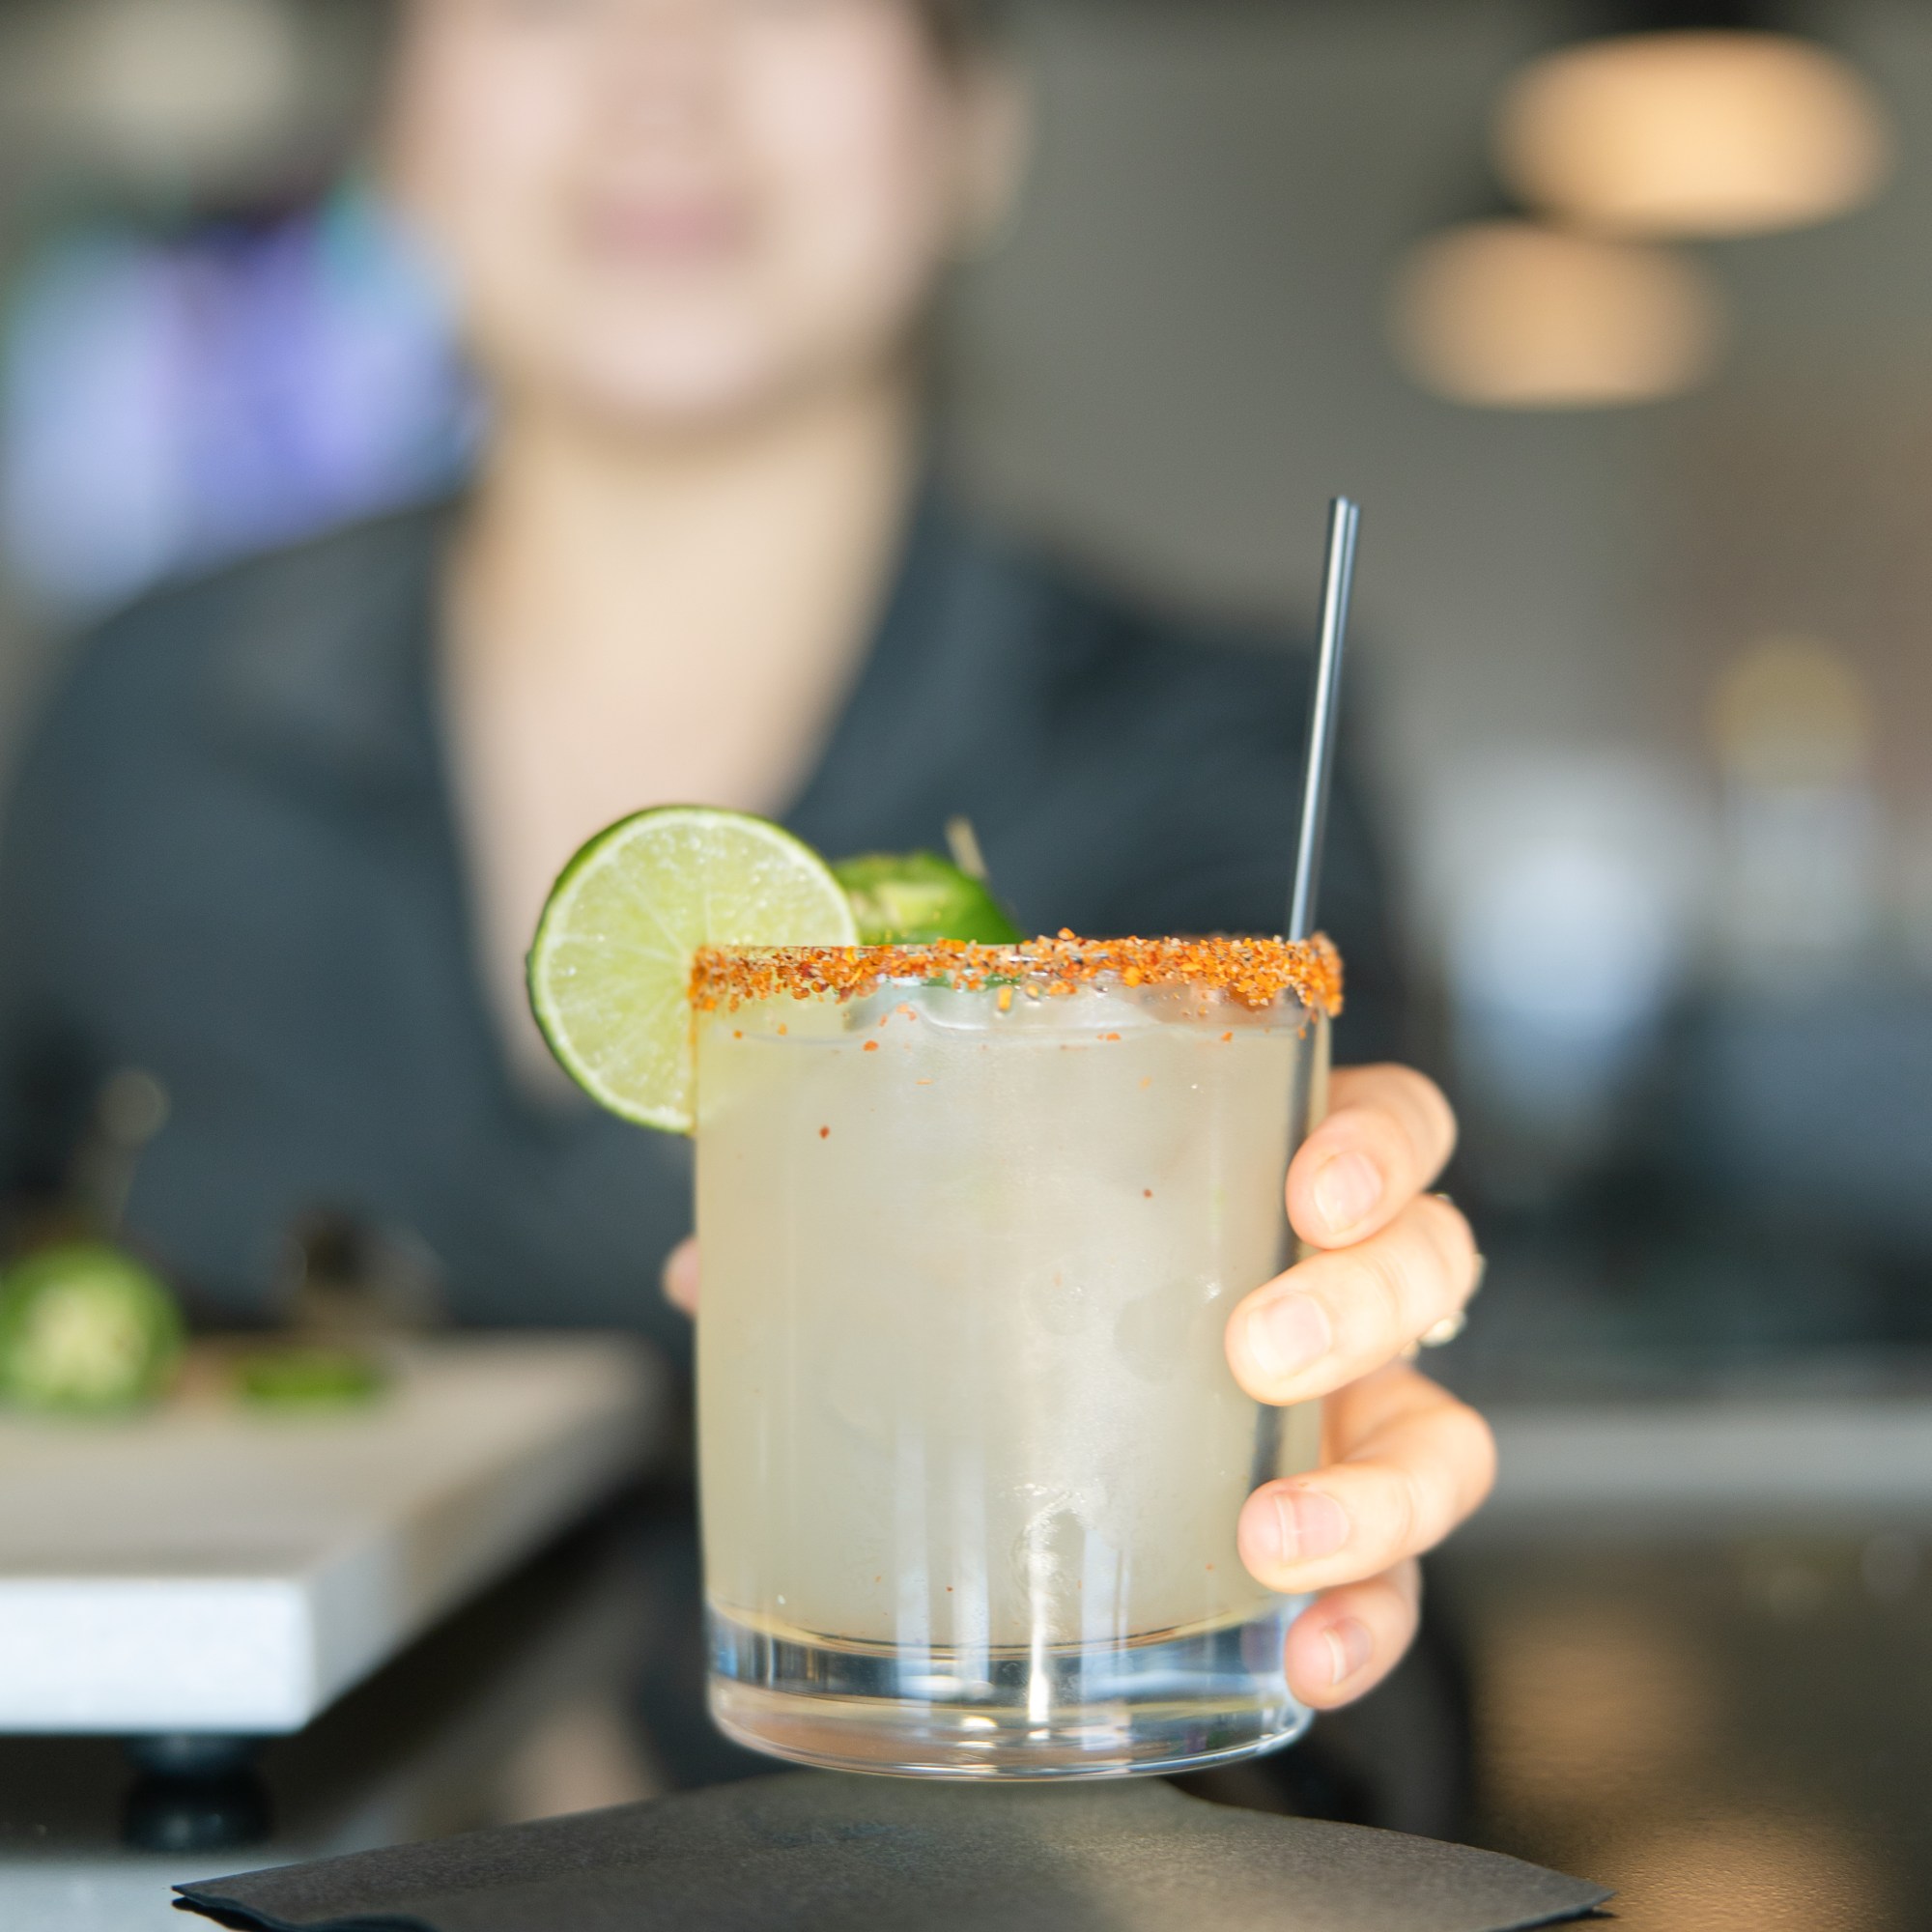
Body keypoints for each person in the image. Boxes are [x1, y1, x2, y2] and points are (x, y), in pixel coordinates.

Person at [0, 0, 1490, 1730]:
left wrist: (1351, 1314)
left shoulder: (1206, 740)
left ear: (976, 128)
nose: (662, 71)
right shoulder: (142, 712)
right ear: (399, 129)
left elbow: (1317, 1230)